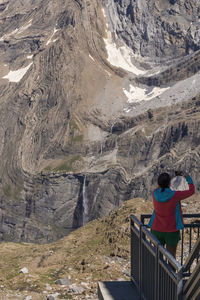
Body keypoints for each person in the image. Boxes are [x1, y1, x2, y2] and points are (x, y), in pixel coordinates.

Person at [148, 172, 195, 258]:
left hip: (156, 229)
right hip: (171, 230)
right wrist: (187, 177)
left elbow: (160, 187)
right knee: (171, 258)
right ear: (169, 183)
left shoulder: (154, 193)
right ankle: (170, 271)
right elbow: (191, 191)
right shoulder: (175, 195)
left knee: (157, 256)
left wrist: (168, 179)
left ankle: (157, 271)